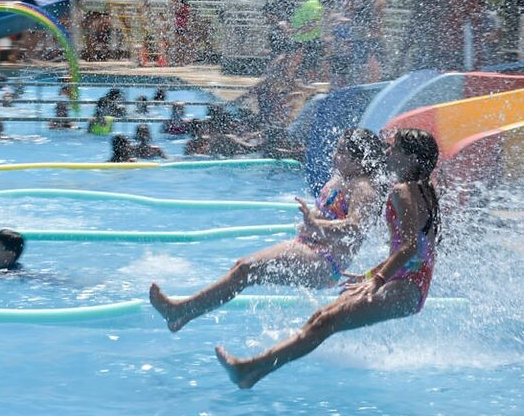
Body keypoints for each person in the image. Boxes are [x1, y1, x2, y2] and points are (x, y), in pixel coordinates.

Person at [211, 128, 440, 388]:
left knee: (327, 320)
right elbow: (420, 249)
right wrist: (370, 275)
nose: (388, 152)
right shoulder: (426, 189)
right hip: (410, 282)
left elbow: (410, 247)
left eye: (395, 148)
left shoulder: (403, 191)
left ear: (411, 158)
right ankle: (253, 370)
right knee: (323, 317)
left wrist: (376, 280)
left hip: (407, 286)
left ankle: (251, 370)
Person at [150, 127, 388, 333]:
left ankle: (181, 310)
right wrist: (313, 219)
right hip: (309, 249)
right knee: (241, 269)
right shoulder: (341, 178)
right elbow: (330, 212)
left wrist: (318, 225)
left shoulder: (364, 188)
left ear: (359, 160)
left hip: (326, 262)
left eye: (342, 153)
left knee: (245, 269)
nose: (335, 157)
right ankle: (184, 315)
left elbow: (356, 227)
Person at [347, 0, 386, 83]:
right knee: (359, 75)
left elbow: (376, 21)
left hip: (371, 41)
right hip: (361, 40)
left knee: (369, 76)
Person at [289, 0, 324, 82]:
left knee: (309, 69)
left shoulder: (312, 3)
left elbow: (313, 24)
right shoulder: (305, 4)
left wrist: (296, 32)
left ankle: (310, 90)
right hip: (301, 42)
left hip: (309, 42)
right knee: (302, 69)